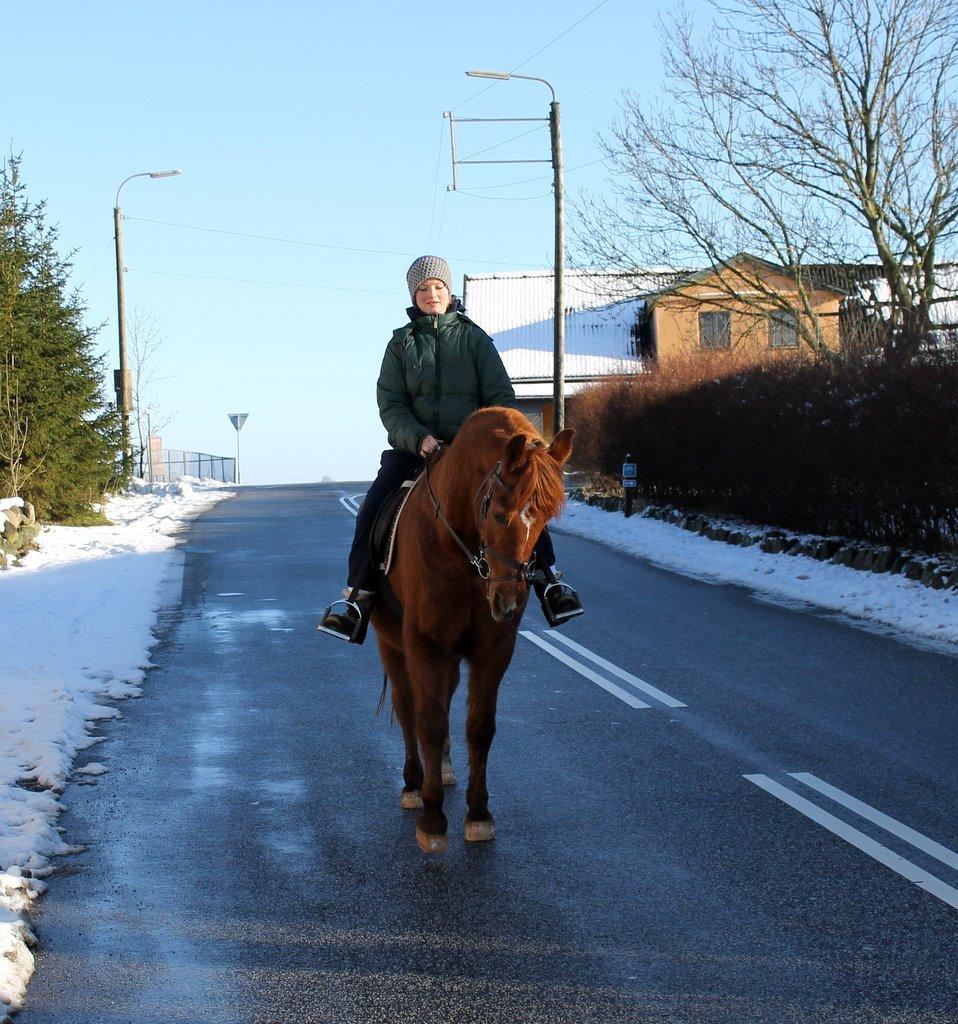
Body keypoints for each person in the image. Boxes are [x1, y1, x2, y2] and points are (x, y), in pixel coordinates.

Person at [319, 255, 583, 644]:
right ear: (413, 295)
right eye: (423, 289)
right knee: (371, 509)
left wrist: (489, 440)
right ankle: (358, 599)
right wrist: (418, 437)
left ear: (449, 291)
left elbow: (501, 397)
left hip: (473, 453)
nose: (432, 294)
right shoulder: (400, 344)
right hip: (417, 451)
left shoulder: (475, 339)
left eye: (438, 287)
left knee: (522, 502)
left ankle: (548, 581)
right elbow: (391, 404)